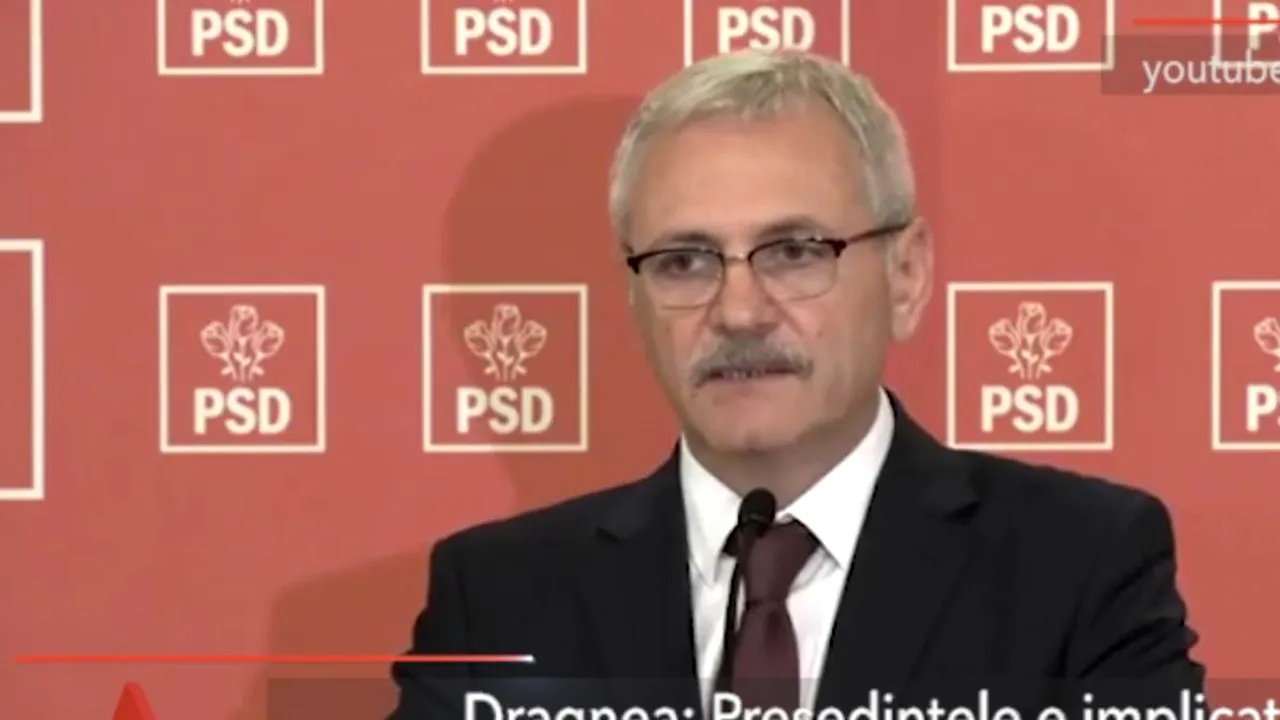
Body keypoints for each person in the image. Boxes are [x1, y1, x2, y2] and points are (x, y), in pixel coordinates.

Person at [388, 49, 1205, 719]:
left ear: (907, 275)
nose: (738, 311)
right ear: (634, 298)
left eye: (794, 252)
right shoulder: (497, 599)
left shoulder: (1079, 566)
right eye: (684, 261)